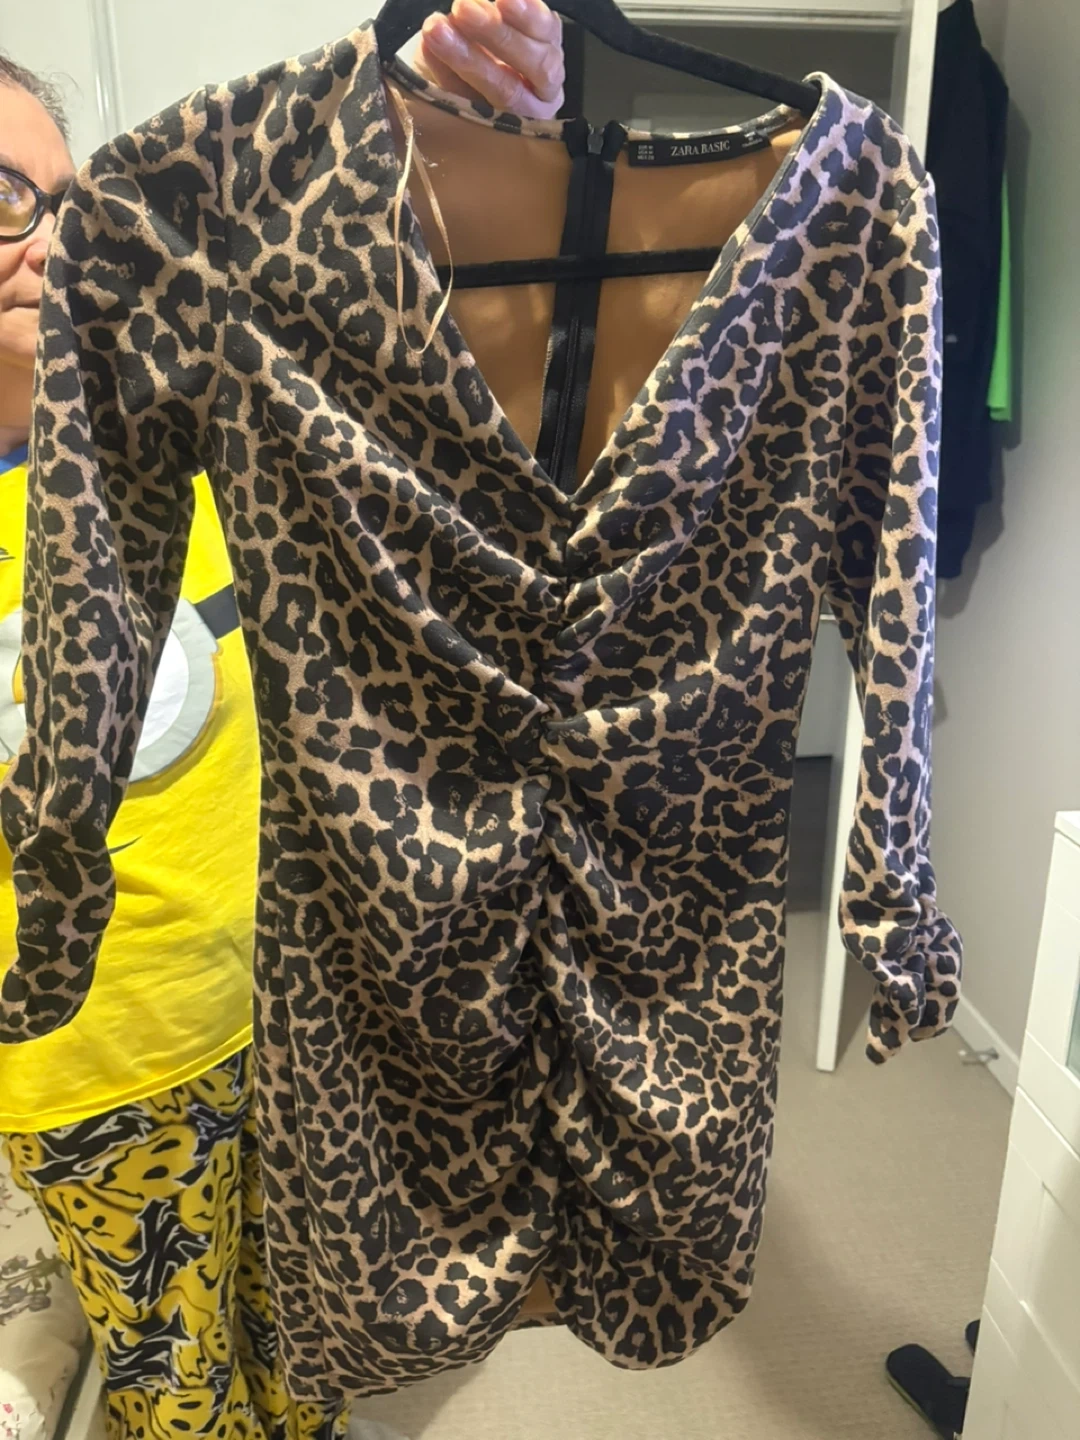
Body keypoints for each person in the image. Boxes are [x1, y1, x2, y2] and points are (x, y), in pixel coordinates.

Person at [0, 5, 565, 1438]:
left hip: (293, 1015)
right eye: (5, 197)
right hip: (92, 1066)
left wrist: (458, 126)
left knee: (309, 1341)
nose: (55, 241)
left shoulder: (194, 426)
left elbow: (394, 330)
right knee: (177, 1391)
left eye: (68, 200)